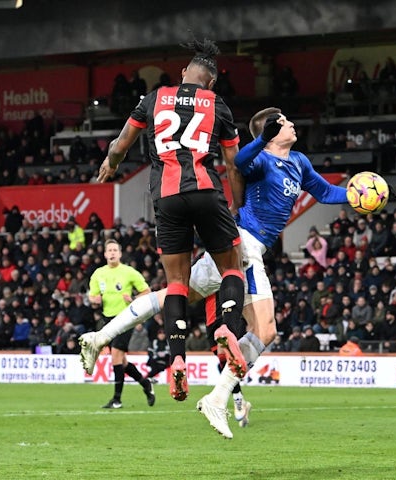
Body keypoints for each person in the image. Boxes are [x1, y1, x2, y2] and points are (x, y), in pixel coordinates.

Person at [80, 106, 349, 438]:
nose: (293, 124)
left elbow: (325, 192)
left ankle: (99, 337)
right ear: (270, 131)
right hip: (245, 247)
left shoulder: (300, 162)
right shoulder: (262, 159)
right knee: (264, 331)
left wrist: (355, 195)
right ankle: (218, 399)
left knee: (174, 296)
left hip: (242, 249)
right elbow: (239, 162)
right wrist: (262, 138)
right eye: (286, 122)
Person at [93, 38, 248, 403]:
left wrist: (111, 165)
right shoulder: (217, 105)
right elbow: (233, 164)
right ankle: (227, 329)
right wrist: (236, 206)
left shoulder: (154, 98)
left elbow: (120, 144)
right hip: (206, 192)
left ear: (182, 74)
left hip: (166, 198)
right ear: (210, 84)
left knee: (176, 283)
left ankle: (178, 359)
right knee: (232, 268)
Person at [88, 239, 155, 409]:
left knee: (116, 355)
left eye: (114, 250)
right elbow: (92, 296)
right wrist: (94, 300)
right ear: (105, 254)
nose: (111, 253)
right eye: (109, 250)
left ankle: (117, 399)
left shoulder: (129, 272)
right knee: (122, 362)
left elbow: (147, 291)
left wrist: (132, 299)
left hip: (126, 318)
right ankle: (145, 384)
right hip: (107, 319)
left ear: (119, 253)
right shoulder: (98, 274)